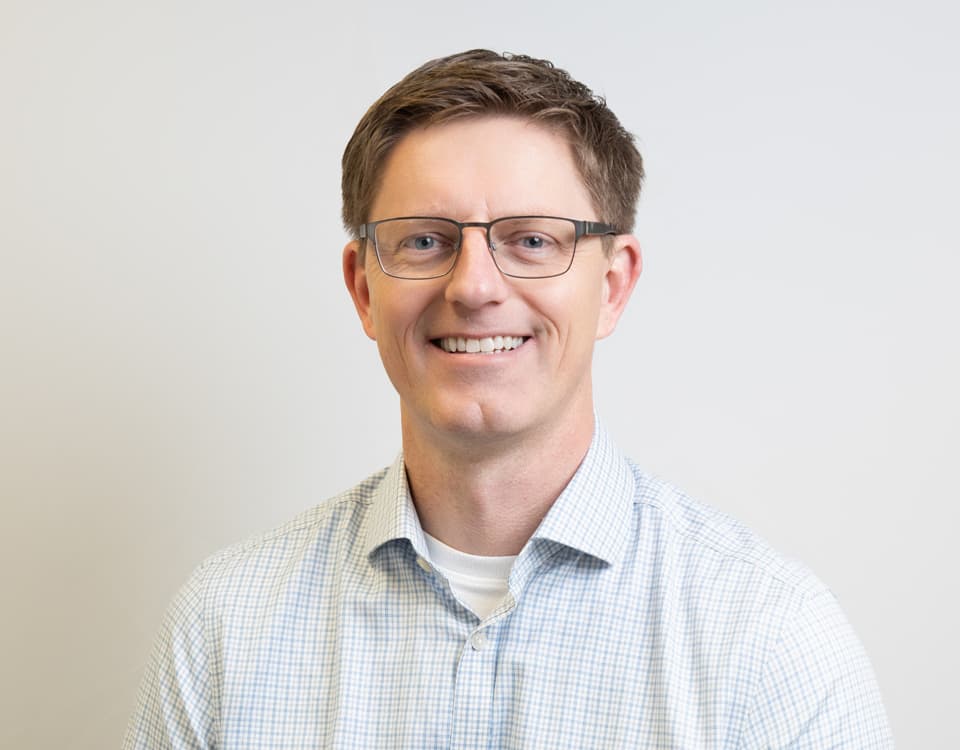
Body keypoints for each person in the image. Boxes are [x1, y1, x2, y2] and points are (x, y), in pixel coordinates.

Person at [124, 49, 893, 748]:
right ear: (364, 287)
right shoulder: (225, 627)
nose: (475, 287)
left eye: (532, 239)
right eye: (425, 240)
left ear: (613, 284)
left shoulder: (769, 636)